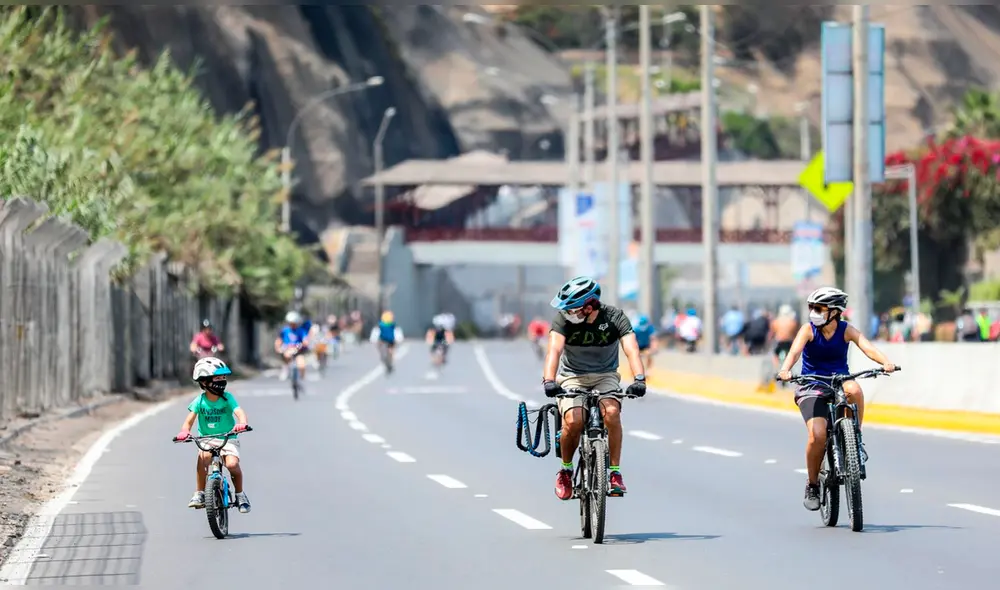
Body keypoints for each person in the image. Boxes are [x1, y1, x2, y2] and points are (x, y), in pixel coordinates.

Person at [776, 287, 897, 512]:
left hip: (840, 380)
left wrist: (885, 362)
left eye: (819, 308)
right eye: (812, 308)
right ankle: (812, 485)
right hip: (812, 385)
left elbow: (867, 347)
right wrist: (785, 369)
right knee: (817, 436)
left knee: (855, 390)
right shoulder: (808, 330)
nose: (813, 312)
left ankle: (855, 440)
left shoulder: (846, 330)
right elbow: (794, 353)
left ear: (834, 312)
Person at [543, 276, 647, 500]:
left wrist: (639, 378)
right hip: (573, 377)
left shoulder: (615, 318)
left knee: (611, 413)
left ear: (589, 307)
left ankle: (614, 474)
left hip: (605, 375)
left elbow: (631, 349)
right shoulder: (562, 320)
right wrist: (549, 380)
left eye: (573, 309)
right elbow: (554, 350)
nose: (568, 314)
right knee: (574, 421)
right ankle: (566, 470)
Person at [175, 357, 251, 513]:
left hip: (228, 437)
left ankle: (240, 494)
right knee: (203, 459)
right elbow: (188, 422)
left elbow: (239, 412)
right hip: (206, 439)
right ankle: (200, 493)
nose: (222, 381)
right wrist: (184, 432)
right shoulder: (199, 401)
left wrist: (241, 423)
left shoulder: (227, 398)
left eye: (224, 378)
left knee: (232, 465)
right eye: (218, 378)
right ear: (204, 382)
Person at [274, 311, 311, 382]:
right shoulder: (285, 330)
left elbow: (305, 340)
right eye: (291, 323)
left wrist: (304, 344)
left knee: (302, 365)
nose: (293, 325)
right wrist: (278, 348)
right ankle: (286, 368)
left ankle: (302, 379)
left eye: (294, 323)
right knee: (287, 355)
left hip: (298, 350)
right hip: (288, 349)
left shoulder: (301, 331)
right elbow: (279, 340)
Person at [771, 304, 799, 373]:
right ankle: (790, 368)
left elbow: (773, 332)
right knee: (792, 354)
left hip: (779, 342)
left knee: (775, 355)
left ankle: (776, 369)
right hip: (789, 342)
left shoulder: (776, 321)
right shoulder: (793, 322)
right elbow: (795, 333)